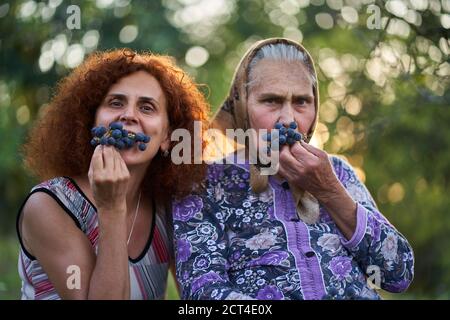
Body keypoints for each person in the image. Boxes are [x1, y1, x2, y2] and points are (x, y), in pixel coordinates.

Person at [172, 38, 414, 300]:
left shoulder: (338, 173)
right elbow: (202, 292)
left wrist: (330, 190)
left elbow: (397, 273)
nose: (288, 120)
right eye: (271, 101)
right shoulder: (206, 183)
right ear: (242, 105)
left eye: (301, 102)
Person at [17, 49, 209, 299]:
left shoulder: (169, 207)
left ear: (167, 137)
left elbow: (196, 294)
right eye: (115, 103)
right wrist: (111, 208)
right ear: (91, 122)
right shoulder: (48, 205)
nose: (128, 115)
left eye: (147, 107)